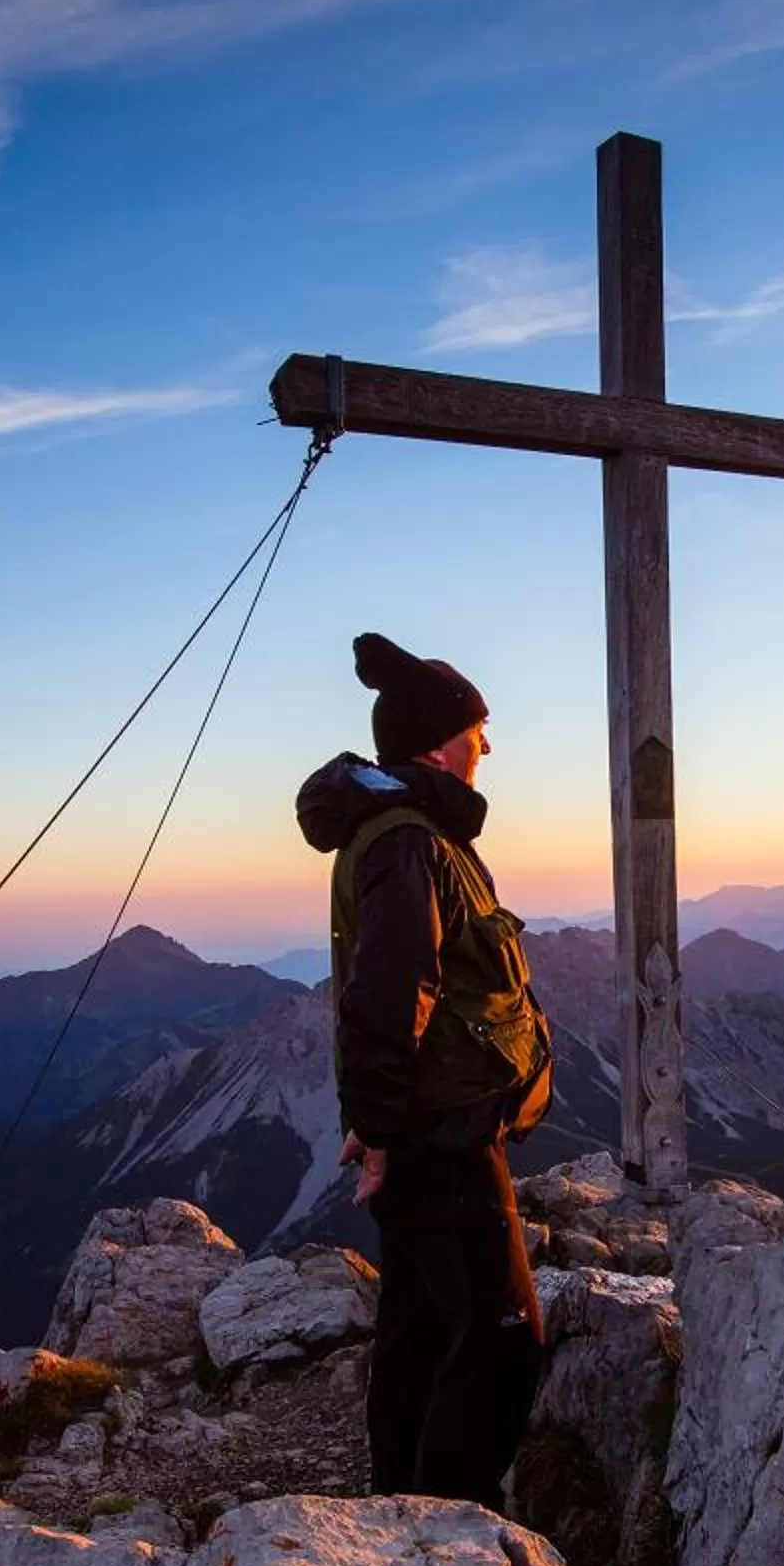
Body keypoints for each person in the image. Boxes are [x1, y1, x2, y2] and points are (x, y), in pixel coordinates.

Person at [294, 631, 555, 1505]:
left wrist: (379, 1124)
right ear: (442, 744)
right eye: (479, 733)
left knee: (421, 1331)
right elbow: (390, 991)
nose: (488, 749)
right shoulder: (410, 842)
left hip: (428, 1130)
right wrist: (380, 1131)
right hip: (444, 1138)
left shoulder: (410, 835)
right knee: (503, 1341)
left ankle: (398, 1511)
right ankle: (448, 1533)